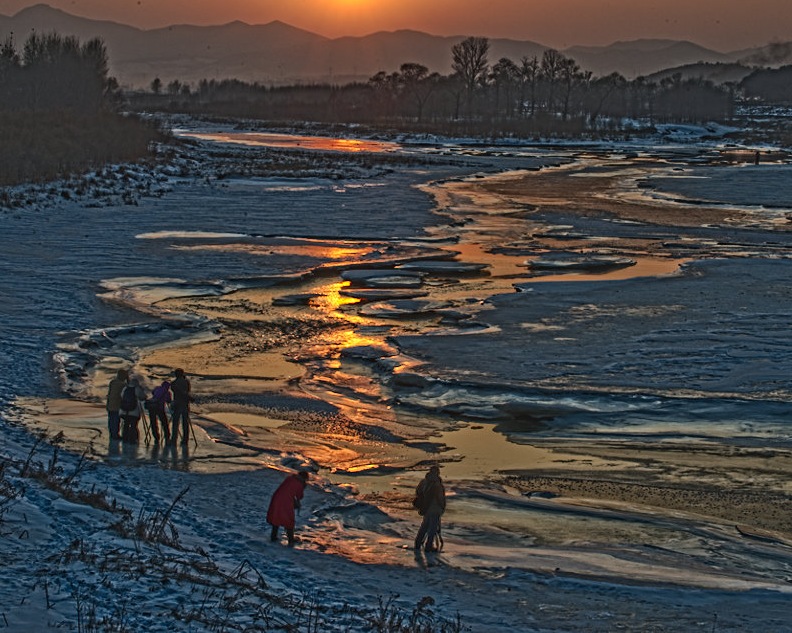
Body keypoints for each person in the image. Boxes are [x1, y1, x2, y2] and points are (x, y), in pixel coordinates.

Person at [266, 470, 309, 546]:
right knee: (289, 519)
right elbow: (299, 496)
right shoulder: (299, 484)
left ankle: (273, 536)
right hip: (285, 501)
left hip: (276, 498)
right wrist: (303, 487)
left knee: (276, 516)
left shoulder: (290, 478)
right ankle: (291, 540)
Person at [413, 465, 446, 552]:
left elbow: (417, 492)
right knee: (432, 529)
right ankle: (428, 545)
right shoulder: (437, 484)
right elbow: (440, 498)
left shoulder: (424, 482)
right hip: (435, 508)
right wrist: (442, 507)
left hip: (426, 508)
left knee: (424, 526)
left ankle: (418, 543)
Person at [119, 377, 147, 443]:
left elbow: (121, 396)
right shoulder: (137, 389)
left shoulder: (125, 388)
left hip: (124, 411)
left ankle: (125, 438)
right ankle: (132, 439)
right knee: (133, 425)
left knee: (126, 424)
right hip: (133, 412)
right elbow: (143, 397)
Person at [170, 368, 192, 445]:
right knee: (185, 423)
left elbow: (175, 391)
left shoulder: (173, 383)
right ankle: (185, 440)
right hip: (185, 404)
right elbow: (188, 391)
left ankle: (173, 440)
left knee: (175, 423)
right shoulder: (186, 382)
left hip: (177, 404)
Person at [106, 368, 129, 440]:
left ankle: (112, 434)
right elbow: (129, 389)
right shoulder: (123, 385)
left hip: (110, 404)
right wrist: (128, 379)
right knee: (116, 421)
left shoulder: (112, 382)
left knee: (111, 420)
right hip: (117, 405)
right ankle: (115, 435)